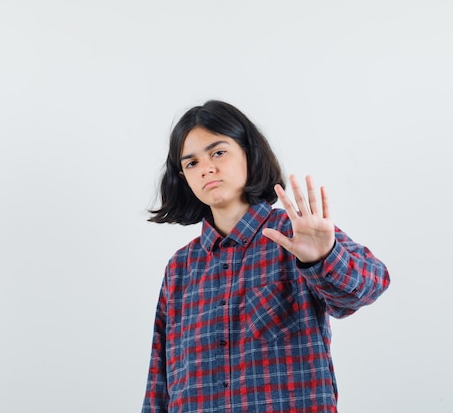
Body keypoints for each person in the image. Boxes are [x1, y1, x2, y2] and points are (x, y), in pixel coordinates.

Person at [141, 100, 390, 413]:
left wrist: (322, 258)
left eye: (218, 152)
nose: (206, 168)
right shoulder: (180, 268)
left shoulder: (296, 235)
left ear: (249, 153)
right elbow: (160, 381)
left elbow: (369, 286)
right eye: (191, 163)